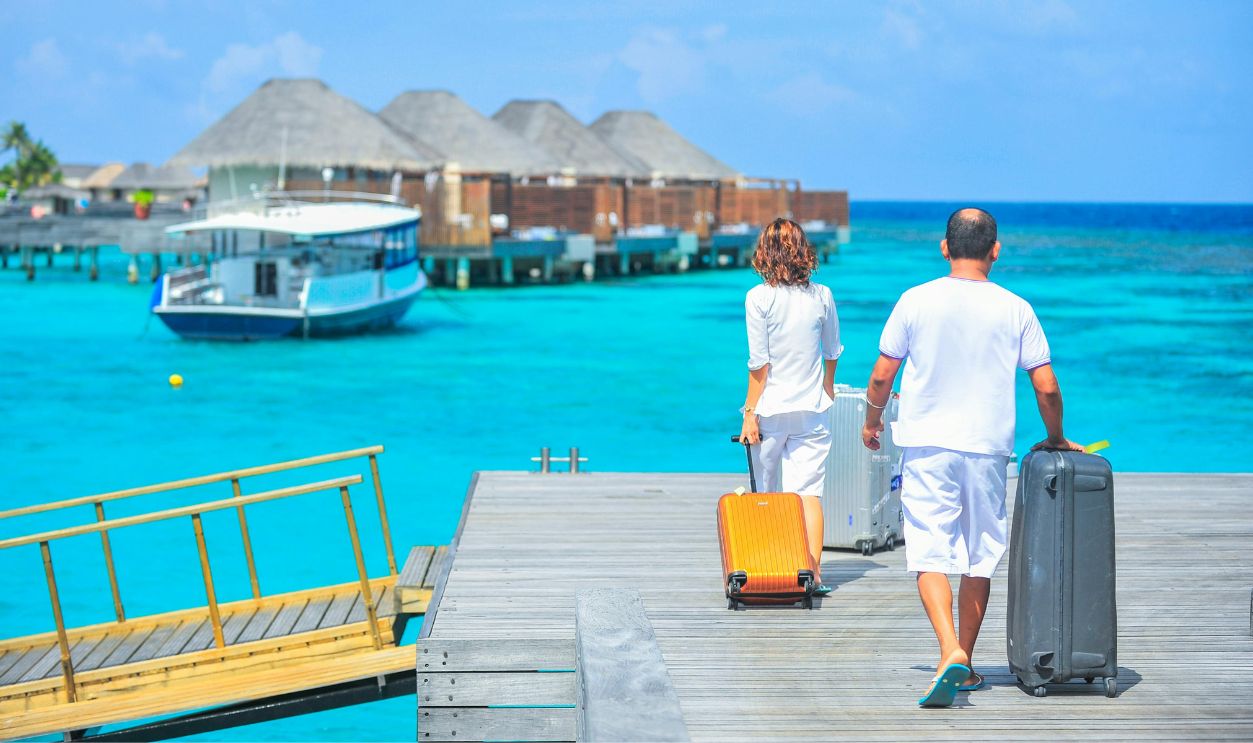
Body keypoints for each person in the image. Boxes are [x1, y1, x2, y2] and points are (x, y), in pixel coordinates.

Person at [861, 208, 1083, 708]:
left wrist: (872, 421)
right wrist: (1056, 437)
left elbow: (881, 376)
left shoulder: (915, 300)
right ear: (995, 250)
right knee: (979, 553)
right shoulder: (1016, 308)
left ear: (945, 247)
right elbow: (1046, 386)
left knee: (929, 550)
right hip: (987, 448)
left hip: (927, 443)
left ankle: (949, 651)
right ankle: (964, 662)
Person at [739, 218, 843, 594]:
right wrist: (826, 387)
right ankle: (812, 574)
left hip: (770, 410)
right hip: (812, 410)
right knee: (808, 494)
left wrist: (749, 413)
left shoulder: (759, 297)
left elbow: (759, 365)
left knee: (764, 496)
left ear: (764, 253)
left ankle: (767, 568)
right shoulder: (822, 295)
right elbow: (832, 351)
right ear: (803, 251)